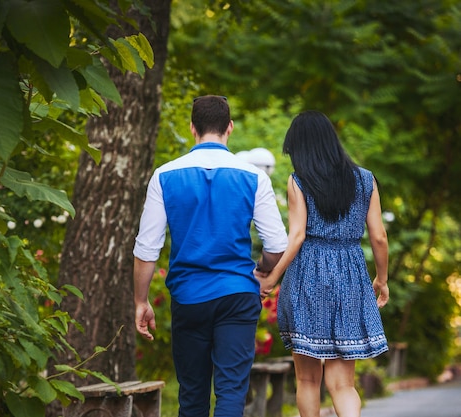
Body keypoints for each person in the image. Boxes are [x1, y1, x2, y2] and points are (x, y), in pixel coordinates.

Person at [133, 95, 288, 417]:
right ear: (229, 128)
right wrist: (261, 272)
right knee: (232, 392)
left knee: (192, 394)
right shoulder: (254, 176)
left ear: (193, 128)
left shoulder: (165, 175)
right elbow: (276, 245)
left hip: (189, 296)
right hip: (237, 294)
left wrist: (141, 301)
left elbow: (148, 247)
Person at [256, 110, 390, 417]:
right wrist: (381, 279)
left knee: (307, 379)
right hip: (352, 274)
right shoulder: (365, 180)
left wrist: (273, 276)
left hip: (307, 276)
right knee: (343, 384)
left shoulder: (298, 181)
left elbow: (298, 235)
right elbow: (379, 237)